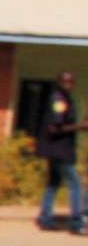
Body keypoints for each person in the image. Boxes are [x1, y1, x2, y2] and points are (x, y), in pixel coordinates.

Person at [39, 70, 81, 233]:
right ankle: (76, 223)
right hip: (59, 150)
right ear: (59, 82)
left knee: (53, 184)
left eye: (70, 82)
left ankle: (45, 219)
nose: (68, 85)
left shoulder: (66, 99)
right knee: (75, 184)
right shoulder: (59, 100)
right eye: (65, 81)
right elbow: (54, 128)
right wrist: (80, 127)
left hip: (58, 149)